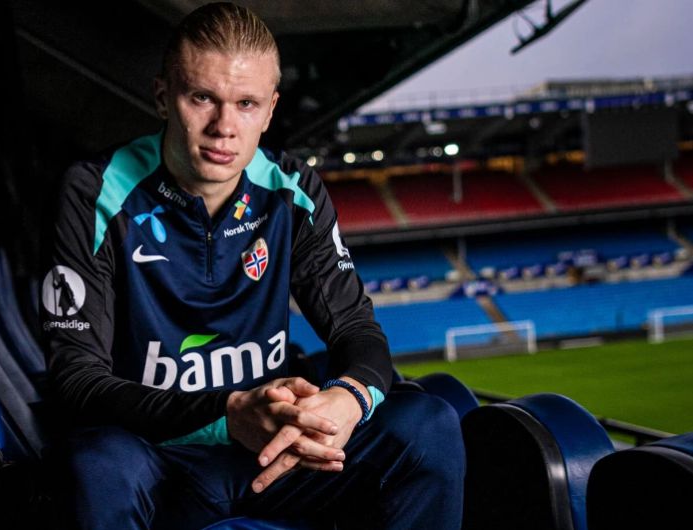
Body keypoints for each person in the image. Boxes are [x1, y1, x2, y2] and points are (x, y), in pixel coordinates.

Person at [41, 3, 465, 529]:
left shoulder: (293, 190)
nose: (224, 127)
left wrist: (347, 398)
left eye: (246, 104)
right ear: (162, 96)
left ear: (269, 111)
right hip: (158, 454)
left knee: (428, 424)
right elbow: (77, 380)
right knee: (98, 465)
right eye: (202, 98)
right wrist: (227, 415)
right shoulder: (95, 191)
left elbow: (356, 330)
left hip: (275, 448)